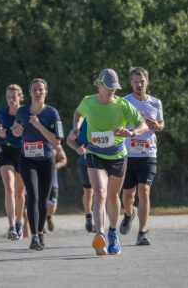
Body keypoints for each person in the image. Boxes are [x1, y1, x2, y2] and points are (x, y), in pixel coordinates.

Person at [69, 68, 148, 256]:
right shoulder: (88, 101)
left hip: (118, 156)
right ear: (99, 84)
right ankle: (100, 234)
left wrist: (131, 133)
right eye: (108, 87)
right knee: (99, 192)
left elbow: (142, 125)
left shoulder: (122, 105)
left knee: (113, 197)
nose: (112, 91)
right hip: (95, 153)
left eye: (115, 88)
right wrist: (76, 128)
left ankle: (113, 233)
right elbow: (78, 113)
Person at [12, 78, 63, 251]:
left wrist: (39, 126)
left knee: (43, 199)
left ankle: (40, 233)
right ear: (30, 93)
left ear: (46, 92)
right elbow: (16, 127)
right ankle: (34, 236)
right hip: (27, 159)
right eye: (34, 90)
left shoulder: (52, 113)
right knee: (32, 195)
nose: (38, 92)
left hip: (47, 160)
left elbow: (57, 140)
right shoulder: (22, 111)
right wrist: (16, 131)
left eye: (41, 89)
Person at [120, 67, 164, 245]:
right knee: (128, 195)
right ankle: (129, 213)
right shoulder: (124, 102)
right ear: (131, 83)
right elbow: (117, 124)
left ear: (147, 82)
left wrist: (156, 126)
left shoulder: (155, 103)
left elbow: (161, 124)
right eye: (136, 82)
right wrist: (131, 122)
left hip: (148, 153)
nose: (139, 85)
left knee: (144, 191)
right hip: (128, 154)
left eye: (142, 81)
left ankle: (142, 232)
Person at [0, 84, 25, 240]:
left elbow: (32, 130)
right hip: (6, 152)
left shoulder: (26, 112)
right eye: (9, 97)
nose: (11, 100)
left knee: (20, 193)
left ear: (20, 97)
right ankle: (11, 226)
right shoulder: (1, 112)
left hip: (23, 153)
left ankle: (19, 223)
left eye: (14, 97)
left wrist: (21, 131)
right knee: (9, 189)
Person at [66, 119, 95, 233]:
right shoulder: (83, 121)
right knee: (88, 191)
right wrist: (77, 148)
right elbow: (69, 139)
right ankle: (88, 216)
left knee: (100, 191)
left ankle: (99, 223)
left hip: (102, 160)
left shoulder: (104, 116)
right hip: (85, 161)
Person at [46, 144, 67, 232]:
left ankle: (49, 217)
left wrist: (56, 166)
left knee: (52, 205)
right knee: (39, 201)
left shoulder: (54, 142)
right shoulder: (35, 139)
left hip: (52, 179)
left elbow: (64, 159)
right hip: (38, 177)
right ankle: (40, 227)